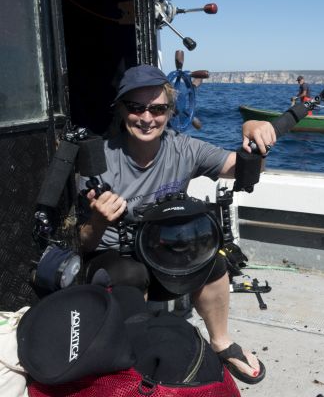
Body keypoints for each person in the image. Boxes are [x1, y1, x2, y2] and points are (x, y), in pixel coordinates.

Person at [78, 64, 275, 384]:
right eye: (136, 107)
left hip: (162, 252)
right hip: (115, 260)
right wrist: (98, 221)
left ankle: (222, 342)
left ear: (170, 111)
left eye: (157, 108)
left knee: (212, 259)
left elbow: (240, 169)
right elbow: (83, 242)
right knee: (130, 273)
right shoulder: (99, 159)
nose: (146, 118)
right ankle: (128, 363)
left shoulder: (183, 147)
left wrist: (253, 133)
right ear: (120, 110)